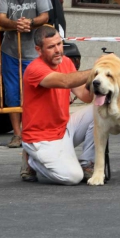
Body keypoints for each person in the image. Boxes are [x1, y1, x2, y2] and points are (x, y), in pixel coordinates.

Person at [21, 25, 95, 185]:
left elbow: (85, 96)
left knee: (101, 111)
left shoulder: (66, 62)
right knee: (73, 178)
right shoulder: (34, 69)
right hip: (41, 138)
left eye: (59, 44)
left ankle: (87, 164)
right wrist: (99, 68)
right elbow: (65, 81)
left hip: (64, 129)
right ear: (38, 50)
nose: (58, 50)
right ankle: (32, 159)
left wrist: (103, 84)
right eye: (51, 47)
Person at [0, 0, 53, 148]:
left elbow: (45, 15)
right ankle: (17, 134)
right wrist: (15, 24)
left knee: (35, 92)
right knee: (12, 93)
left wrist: (30, 22)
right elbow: (1, 18)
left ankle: (34, 131)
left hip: (34, 51)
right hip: (10, 50)